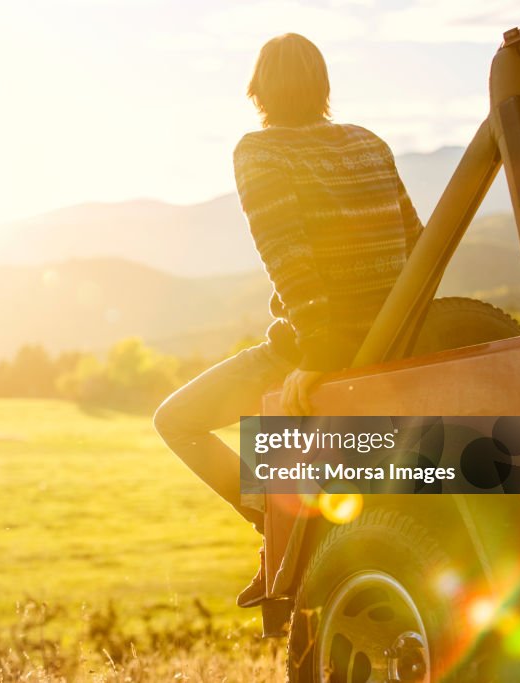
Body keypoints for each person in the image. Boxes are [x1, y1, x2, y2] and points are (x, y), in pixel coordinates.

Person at [154, 33, 422, 607]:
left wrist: (319, 356)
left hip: (319, 344)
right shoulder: (370, 143)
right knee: (273, 435)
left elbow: (289, 259)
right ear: (324, 86)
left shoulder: (260, 152)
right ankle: (279, 528)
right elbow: (418, 241)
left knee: (175, 420)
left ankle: (267, 521)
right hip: (396, 336)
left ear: (259, 90)